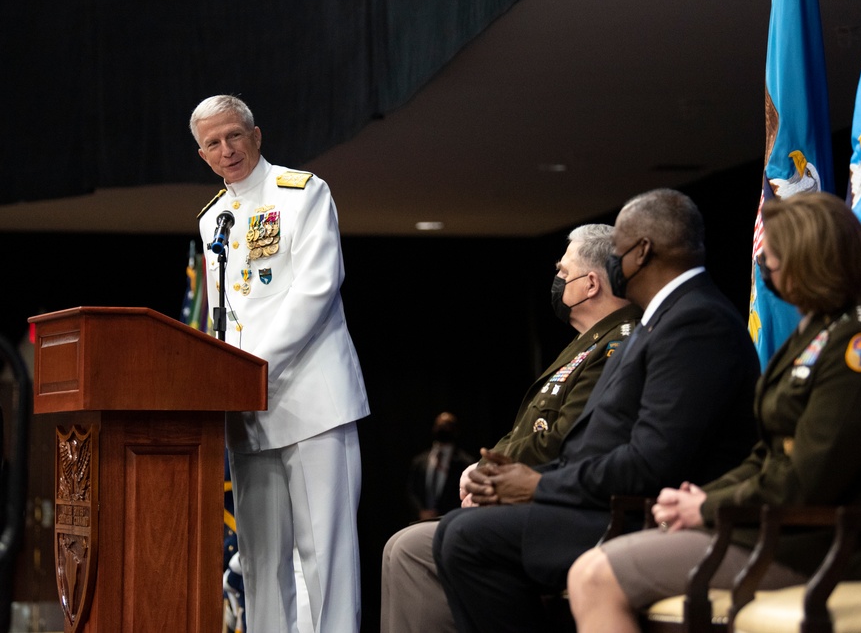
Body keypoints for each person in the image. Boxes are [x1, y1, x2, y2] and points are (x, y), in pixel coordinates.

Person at [567, 191, 861, 633]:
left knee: (593, 576)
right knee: (597, 564)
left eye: (774, 255)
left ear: (808, 257)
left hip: (818, 546)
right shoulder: (818, 334)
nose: (766, 264)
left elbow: (806, 480)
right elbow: (767, 455)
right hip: (771, 531)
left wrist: (708, 508)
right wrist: (697, 500)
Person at [432, 188, 760, 633]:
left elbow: (653, 461)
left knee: (468, 540)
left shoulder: (696, 321)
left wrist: (539, 485)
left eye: (618, 252)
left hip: (634, 514)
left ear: (641, 253)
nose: (612, 266)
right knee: (457, 532)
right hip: (603, 501)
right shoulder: (659, 319)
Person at [381, 223, 641, 633]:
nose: (556, 280)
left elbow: (564, 439)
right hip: (537, 498)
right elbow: (528, 433)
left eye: (562, 271)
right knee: (401, 545)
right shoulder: (586, 344)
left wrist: (490, 478)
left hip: (571, 506)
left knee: (415, 548)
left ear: (591, 283)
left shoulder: (617, 344)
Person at [191, 94, 371, 633]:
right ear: (201, 155)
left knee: (327, 562)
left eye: (234, 136)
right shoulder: (212, 219)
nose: (227, 151)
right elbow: (224, 315)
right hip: (248, 412)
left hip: (313, 400)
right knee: (261, 562)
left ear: (257, 135)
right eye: (213, 144)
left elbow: (316, 290)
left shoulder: (303, 193)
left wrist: (248, 369)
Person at [406, 412, 474, 521]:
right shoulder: (419, 461)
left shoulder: (465, 463)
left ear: (455, 430)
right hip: (421, 520)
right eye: (440, 425)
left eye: (447, 425)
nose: (443, 428)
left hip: (451, 521)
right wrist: (421, 511)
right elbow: (412, 490)